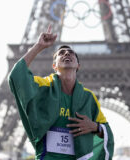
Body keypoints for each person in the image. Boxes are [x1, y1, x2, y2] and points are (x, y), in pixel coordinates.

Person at [8, 25, 114, 160]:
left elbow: (107, 132)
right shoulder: (43, 86)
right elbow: (16, 76)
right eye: (61, 53)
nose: (66, 54)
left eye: (71, 53)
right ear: (54, 66)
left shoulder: (88, 98)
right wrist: (38, 46)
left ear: (78, 66)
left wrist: (94, 126)